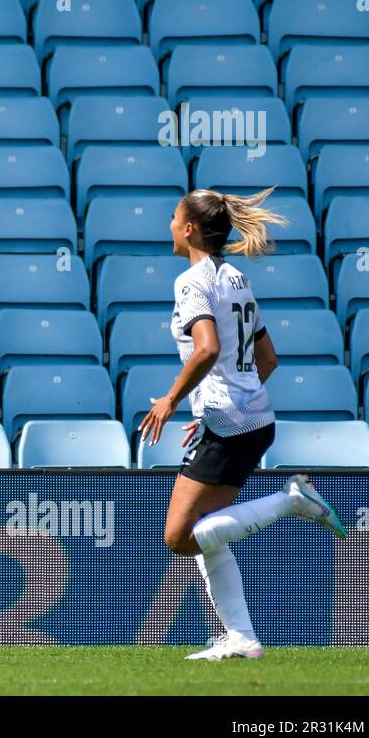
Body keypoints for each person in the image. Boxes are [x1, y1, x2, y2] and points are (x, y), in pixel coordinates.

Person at [139, 187, 347, 660]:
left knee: (179, 536)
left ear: (189, 228)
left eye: (174, 216)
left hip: (231, 424)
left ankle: (290, 501)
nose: (169, 224)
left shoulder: (192, 281)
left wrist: (173, 399)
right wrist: (215, 405)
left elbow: (209, 348)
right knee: (206, 530)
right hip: (253, 418)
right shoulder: (236, 277)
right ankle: (242, 638)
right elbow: (267, 358)